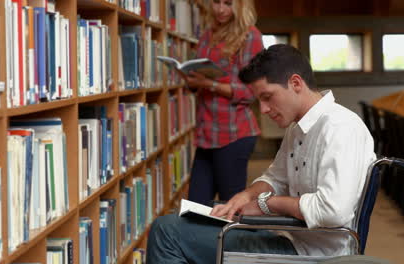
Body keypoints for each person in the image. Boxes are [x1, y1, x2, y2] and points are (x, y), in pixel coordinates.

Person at [146, 44, 376, 264]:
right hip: (291, 239)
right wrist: (246, 196)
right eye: (259, 100)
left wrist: (268, 204)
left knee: (167, 232)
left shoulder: (341, 128)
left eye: (267, 97)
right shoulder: (297, 128)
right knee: (178, 223)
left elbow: (332, 211)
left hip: (315, 254)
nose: (263, 110)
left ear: (295, 83)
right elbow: (274, 178)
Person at [185, 0, 264, 205]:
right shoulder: (207, 35)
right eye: (216, 2)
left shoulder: (250, 36)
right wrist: (191, 80)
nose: (220, 9)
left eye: (228, 3)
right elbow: (198, 76)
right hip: (206, 134)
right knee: (195, 207)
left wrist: (210, 84)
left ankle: (229, 239)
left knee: (230, 207)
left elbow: (250, 91)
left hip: (234, 133)